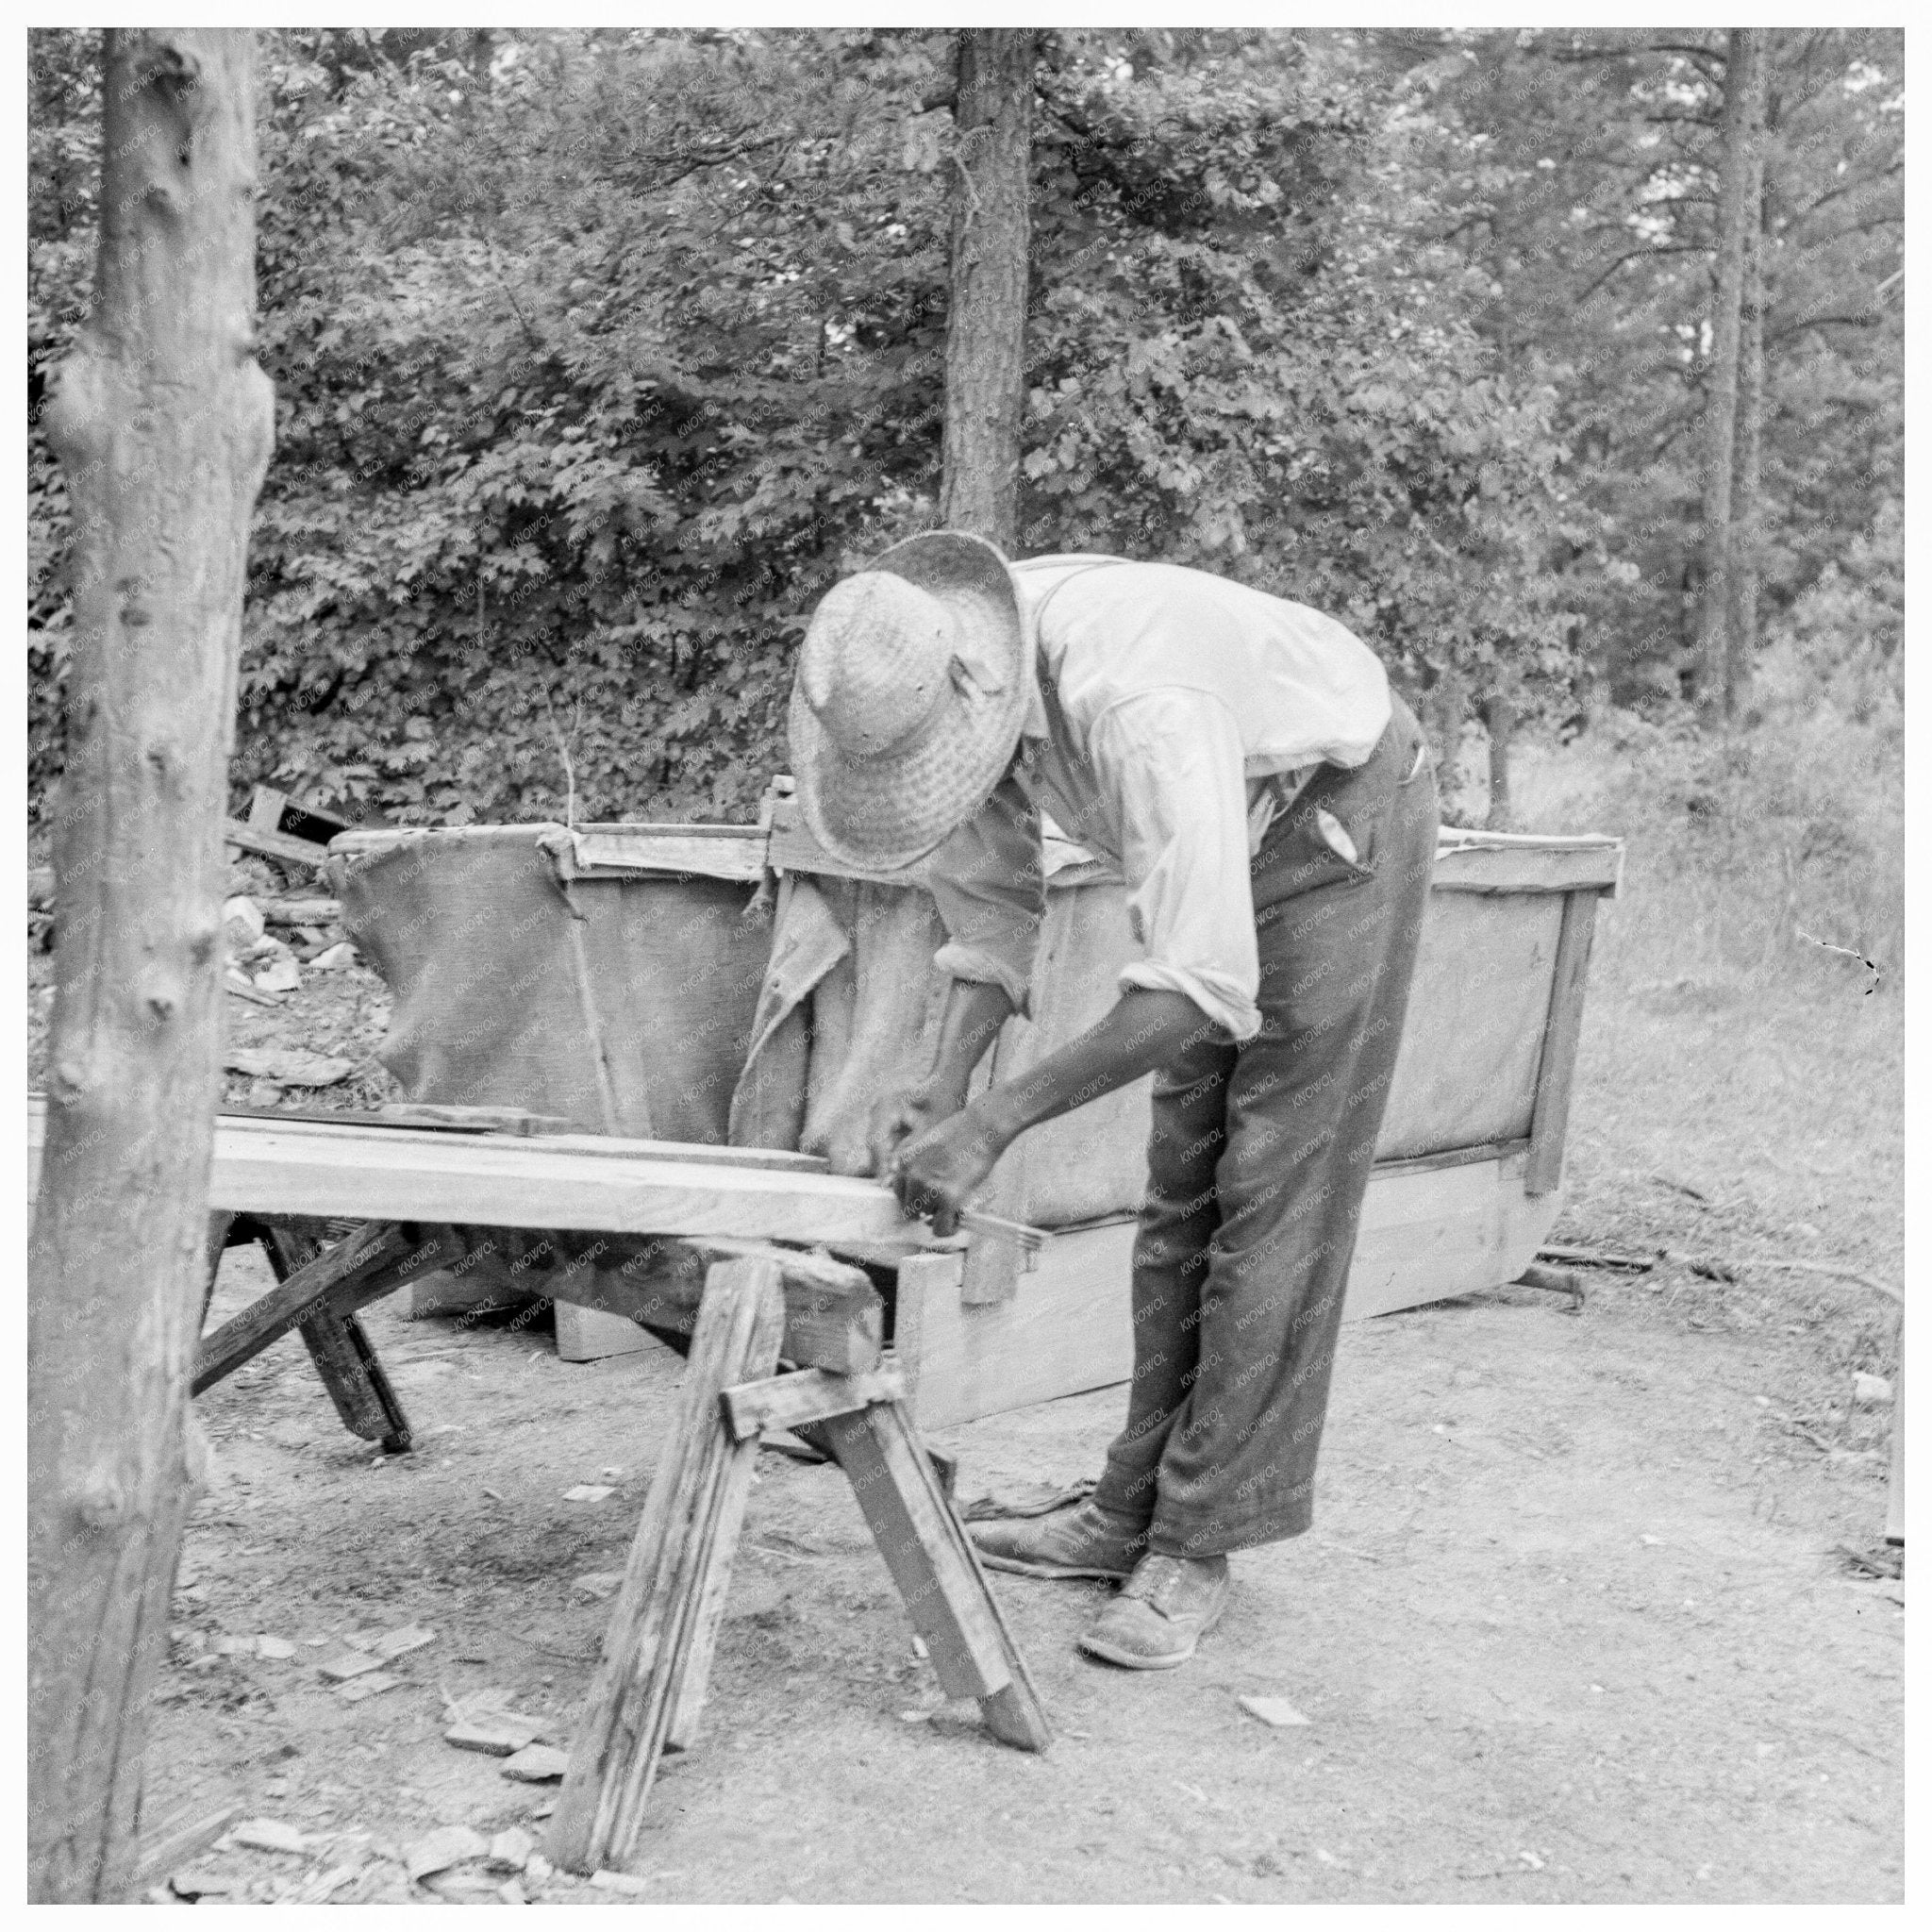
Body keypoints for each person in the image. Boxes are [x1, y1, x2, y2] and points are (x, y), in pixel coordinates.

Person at [787, 531, 1440, 1670]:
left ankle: (1200, 1539)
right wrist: (944, 1088)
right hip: (1226, 824)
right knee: (1178, 1186)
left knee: (1268, 1189)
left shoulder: (1137, 700)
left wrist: (995, 1124)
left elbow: (1195, 981)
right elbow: (993, 909)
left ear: (977, 694)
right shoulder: (944, 682)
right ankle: (1125, 1508)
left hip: (1338, 818)